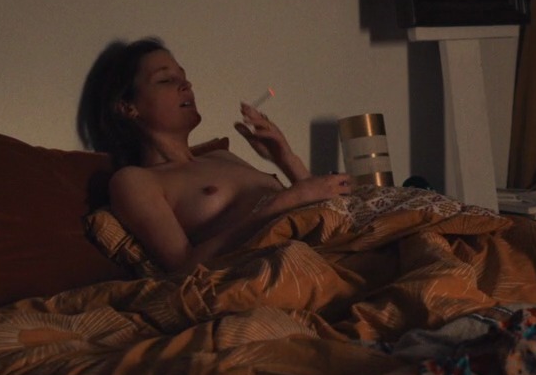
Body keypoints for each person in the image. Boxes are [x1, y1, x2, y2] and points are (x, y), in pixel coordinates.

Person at [79, 38, 351, 272]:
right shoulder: (135, 181)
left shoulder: (223, 157)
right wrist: (285, 200)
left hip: (336, 242)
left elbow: (317, 209)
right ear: (128, 107)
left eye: (183, 77)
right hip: (279, 265)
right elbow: (184, 266)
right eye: (166, 80)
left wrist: (286, 158)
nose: (186, 84)